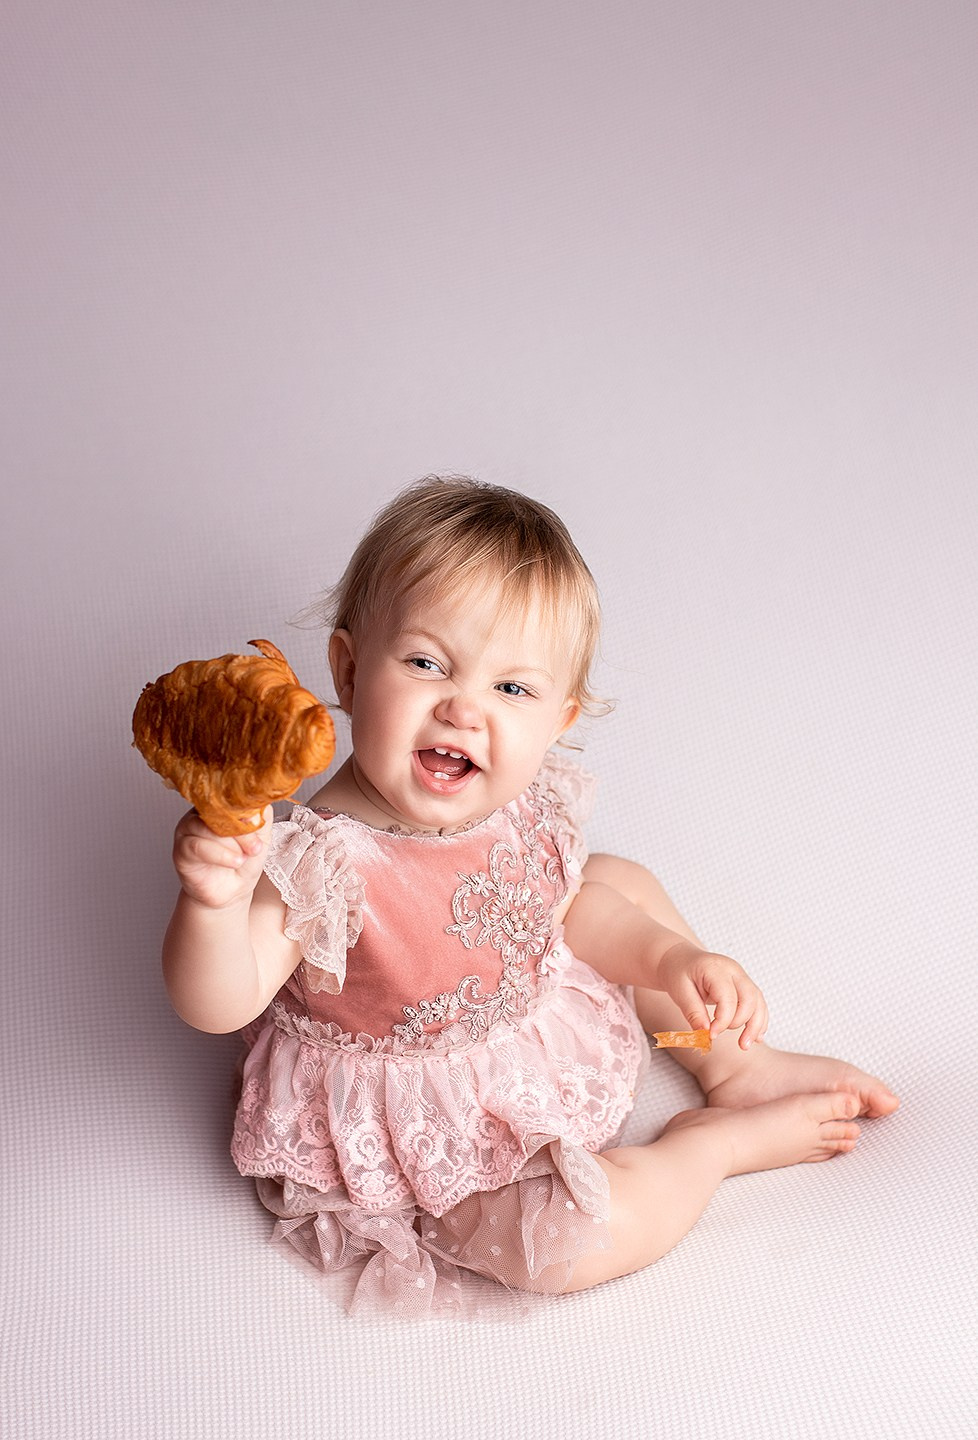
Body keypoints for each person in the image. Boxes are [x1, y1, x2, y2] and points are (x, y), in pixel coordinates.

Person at [162, 475, 899, 1317]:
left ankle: (729, 1059)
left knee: (618, 883)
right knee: (566, 1243)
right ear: (348, 666)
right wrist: (213, 905)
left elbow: (565, 912)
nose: (463, 709)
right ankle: (711, 1148)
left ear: (559, 719)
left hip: (526, 1014)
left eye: (512, 689)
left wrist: (672, 955)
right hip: (425, 1112)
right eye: (427, 663)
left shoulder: (522, 802)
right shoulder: (322, 861)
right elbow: (216, 1003)